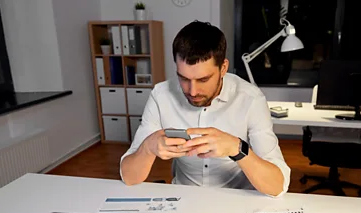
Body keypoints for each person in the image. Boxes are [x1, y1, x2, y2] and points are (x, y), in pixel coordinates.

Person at [120, 21, 290, 197]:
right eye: (184, 79)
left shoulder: (251, 99)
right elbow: (129, 177)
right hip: (183, 198)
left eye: (203, 80)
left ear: (223, 68)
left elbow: (278, 185)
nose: (192, 91)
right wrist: (147, 148)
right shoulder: (161, 95)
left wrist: (237, 148)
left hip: (237, 199)